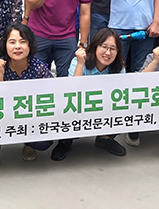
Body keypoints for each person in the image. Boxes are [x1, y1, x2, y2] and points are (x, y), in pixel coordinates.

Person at [0, 24, 54, 173]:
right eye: (12, 42)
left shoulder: (39, 68)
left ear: (30, 45)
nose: (17, 47)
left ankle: (29, 144)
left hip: (30, 116)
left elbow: (51, 95)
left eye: (23, 41)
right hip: (2, 116)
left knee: (44, 141)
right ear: (5, 45)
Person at [51, 28, 127, 161]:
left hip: (103, 107)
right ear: (95, 46)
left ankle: (105, 138)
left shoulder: (119, 67)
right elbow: (71, 91)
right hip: (78, 107)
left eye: (113, 49)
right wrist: (80, 64)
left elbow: (121, 95)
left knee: (125, 110)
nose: (108, 53)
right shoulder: (79, 60)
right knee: (65, 107)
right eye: (104, 47)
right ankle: (65, 142)